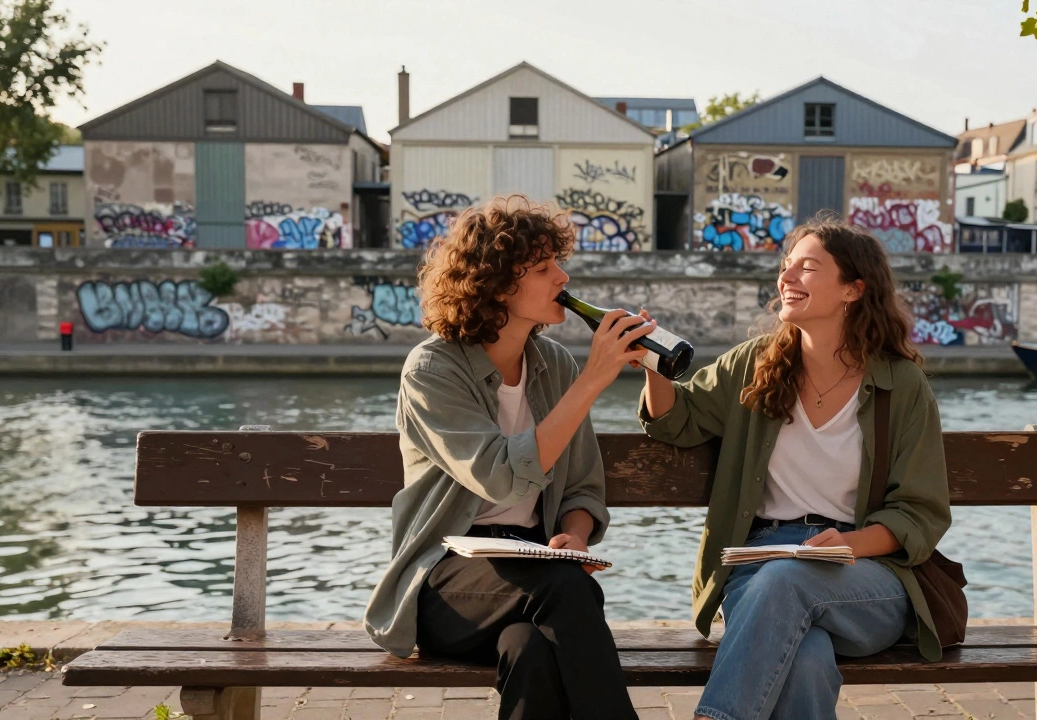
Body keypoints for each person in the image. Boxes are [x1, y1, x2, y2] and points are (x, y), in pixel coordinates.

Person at [638, 220, 952, 720]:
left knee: (788, 581)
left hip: (865, 571)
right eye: (786, 267)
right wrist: (655, 365)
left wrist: (850, 543)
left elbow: (920, 513)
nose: (787, 277)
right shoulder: (752, 366)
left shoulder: (901, 385)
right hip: (757, 565)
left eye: (807, 267)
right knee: (805, 659)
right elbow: (678, 420)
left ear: (853, 289)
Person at [365, 196, 648, 720]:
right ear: (495, 285)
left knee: (532, 651)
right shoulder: (432, 369)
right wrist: (594, 382)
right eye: (543, 268)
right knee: (568, 591)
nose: (562, 276)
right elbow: (500, 479)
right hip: (445, 579)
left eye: (557, 262)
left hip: (536, 576)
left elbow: (584, 485)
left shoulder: (555, 363)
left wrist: (577, 536)